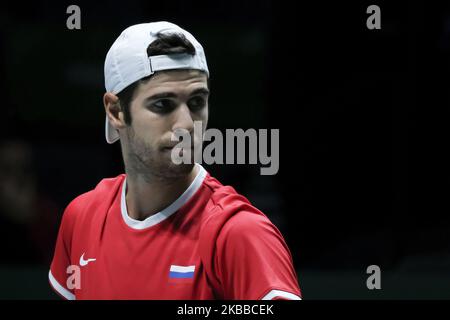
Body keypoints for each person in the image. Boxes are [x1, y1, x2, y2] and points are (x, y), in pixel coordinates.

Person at [48, 21, 301, 300]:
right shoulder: (81, 217)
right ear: (116, 111)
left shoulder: (240, 234)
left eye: (196, 103)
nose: (186, 125)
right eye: (163, 104)